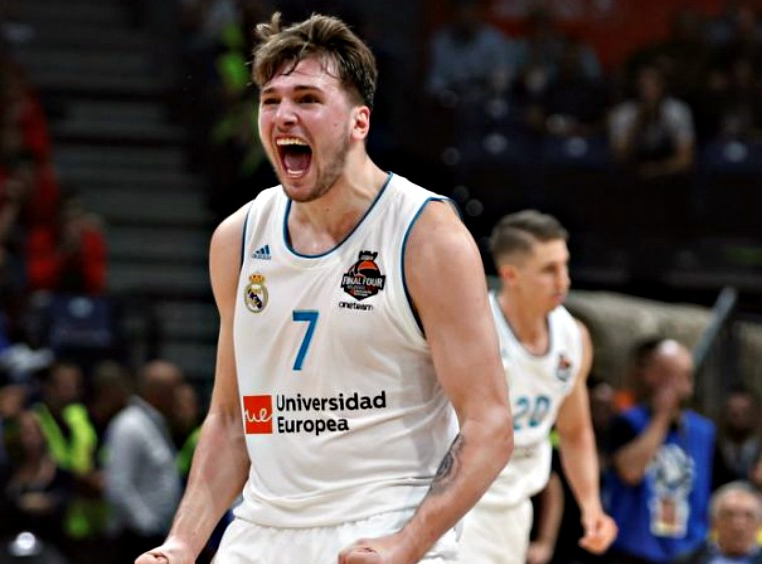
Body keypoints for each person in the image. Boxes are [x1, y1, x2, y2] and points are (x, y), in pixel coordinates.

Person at [137, 12, 512, 564]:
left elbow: (491, 424)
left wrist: (406, 544)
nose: (284, 115)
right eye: (270, 100)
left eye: (308, 98)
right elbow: (232, 420)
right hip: (261, 531)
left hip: (386, 524)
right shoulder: (238, 239)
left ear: (359, 122)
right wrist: (182, 544)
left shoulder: (425, 236)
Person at [454, 211, 617, 563]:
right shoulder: (475, 332)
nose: (563, 280)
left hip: (516, 507)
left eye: (565, 265)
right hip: (461, 507)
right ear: (510, 275)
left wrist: (591, 506)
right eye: (549, 270)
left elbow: (574, 431)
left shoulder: (574, 336)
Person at [605, 338, 715, 563]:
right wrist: (661, 418)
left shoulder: (704, 431)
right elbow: (630, 472)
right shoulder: (627, 422)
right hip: (633, 551)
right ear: (652, 376)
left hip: (688, 550)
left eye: (687, 376)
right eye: (674, 376)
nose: (685, 385)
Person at [106, 360, 185, 562]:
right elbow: (118, 485)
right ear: (158, 393)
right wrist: (146, 526)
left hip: (157, 536)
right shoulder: (129, 425)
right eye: (175, 389)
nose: (182, 396)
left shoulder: (156, 423)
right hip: (137, 540)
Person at [677, 481, 762, 564]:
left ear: (759, 523)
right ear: (713, 521)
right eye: (729, 515)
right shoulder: (688, 560)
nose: (739, 526)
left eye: (749, 516)